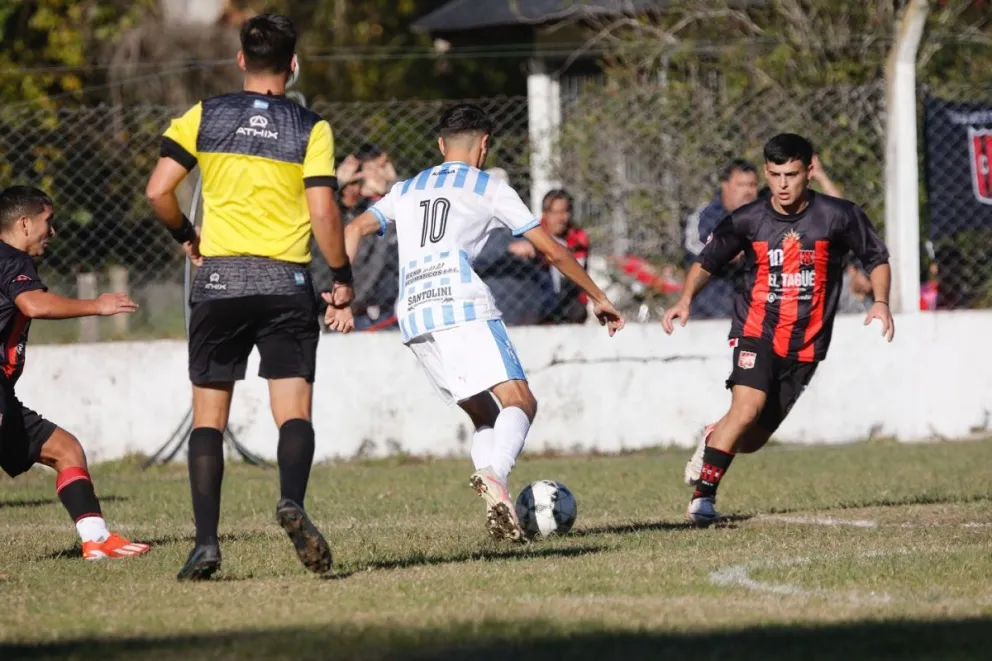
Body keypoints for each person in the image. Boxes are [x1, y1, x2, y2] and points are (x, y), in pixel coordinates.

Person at [326, 104, 625, 541]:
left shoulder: (407, 187)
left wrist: (342, 292)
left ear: (441, 145)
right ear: (484, 145)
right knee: (520, 401)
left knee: (485, 414)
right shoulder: (489, 186)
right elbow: (554, 249)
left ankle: (496, 502)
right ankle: (495, 478)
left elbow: (351, 231)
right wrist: (597, 296)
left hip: (414, 314)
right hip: (461, 305)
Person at [145, 13, 353, 580]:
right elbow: (322, 211)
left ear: (241, 60)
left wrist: (188, 237)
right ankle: (291, 502)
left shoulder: (202, 116)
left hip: (219, 282)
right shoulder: (313, 128)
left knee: (209, 419)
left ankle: (207, 544)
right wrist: (340, 273)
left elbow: (158, 190)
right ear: (293, 64)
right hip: (284, 283)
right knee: (294, 411)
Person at [663, 134, 894, 525]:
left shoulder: (838, 216)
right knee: (747, 408)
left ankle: (715, 435)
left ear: (809, 170)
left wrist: (882, 302)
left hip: (806, 343)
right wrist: (685, 299)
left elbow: (877, 258)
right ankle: (702, 499)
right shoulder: (748, 219)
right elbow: (707, 261)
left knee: (750, 440)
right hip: (756, 329)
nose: (782, 184)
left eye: (791, 174)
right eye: (774, 175)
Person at [0, 186, 149, 560]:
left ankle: (96, 539)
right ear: (24, 223)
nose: (52, 232)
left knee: (65, 450)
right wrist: (97, 306)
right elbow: (32, 303)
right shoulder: (11, 259)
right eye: (47, 223)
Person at [683, 159, 759, 319]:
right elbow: (695, 246)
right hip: (710, 308)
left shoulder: (764, 214)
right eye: (740, 185)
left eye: (752, 185)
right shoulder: (707, 216)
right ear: (725, 185)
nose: (747, 191)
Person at [540, 189, 590, 324]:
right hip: (541, 301)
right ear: (545, 214)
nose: (562, 218)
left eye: (565, 212)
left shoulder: (577, 238)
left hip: (571, 303)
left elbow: (578, 272)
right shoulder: (535, 237)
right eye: (556, 213)